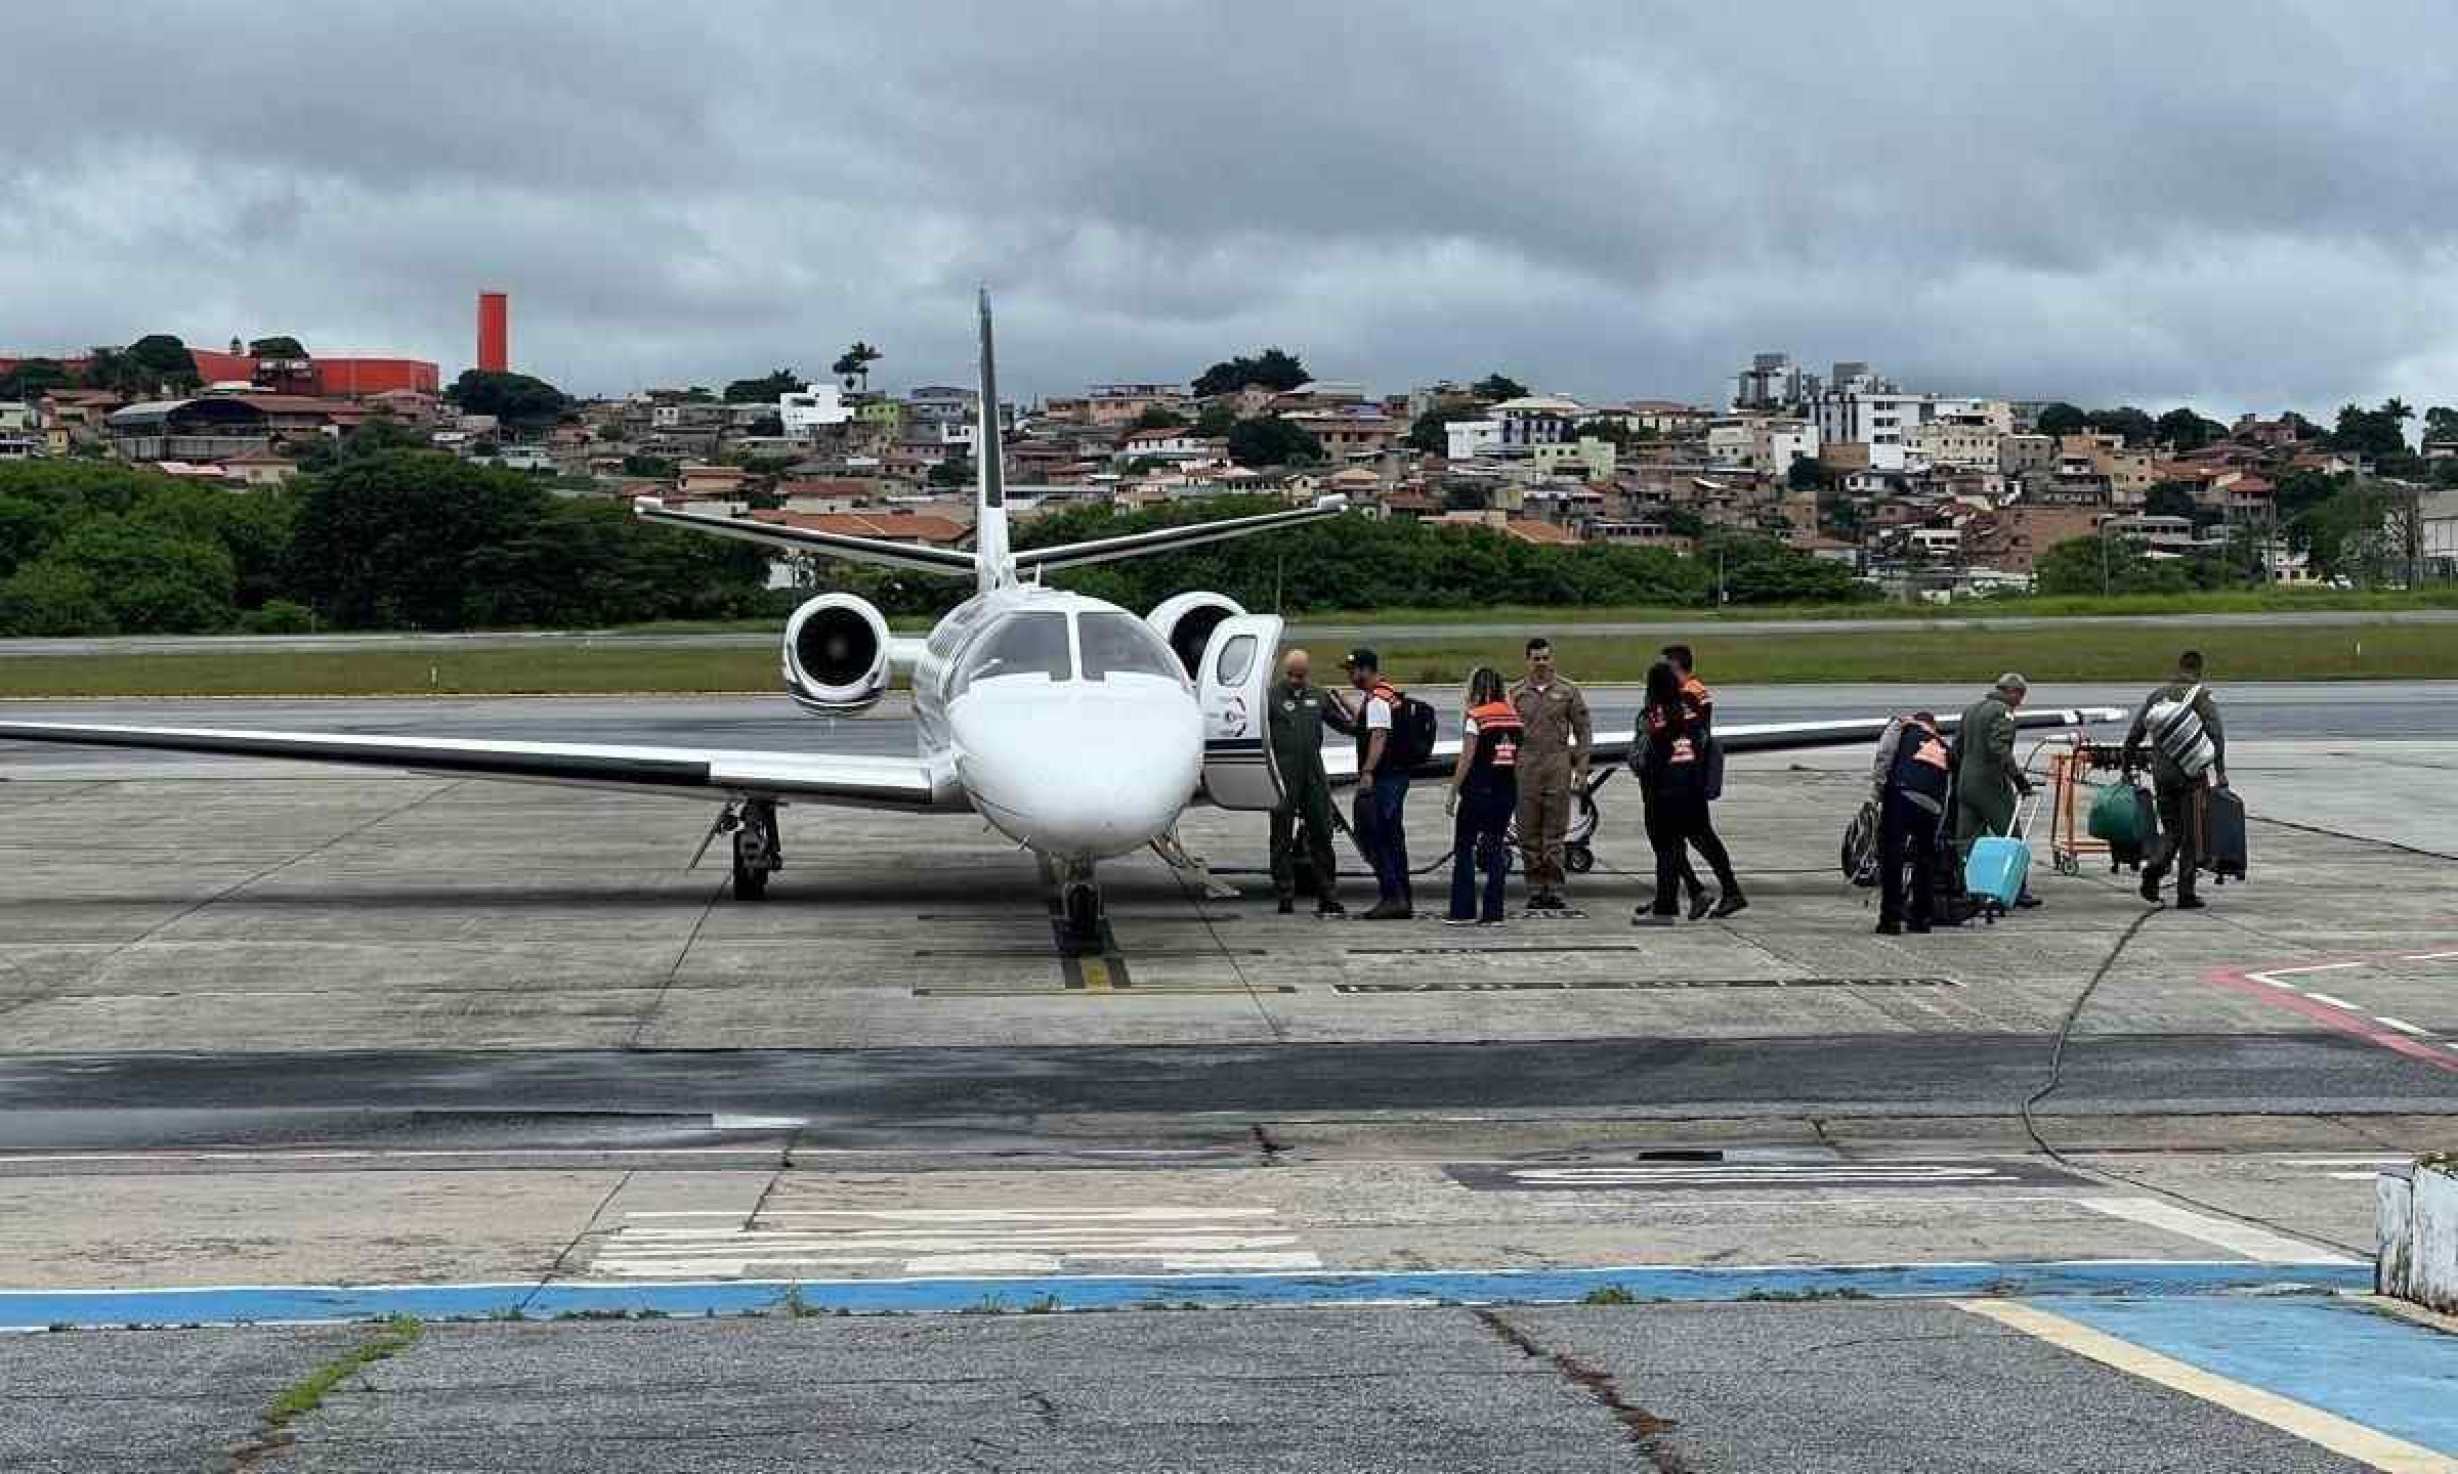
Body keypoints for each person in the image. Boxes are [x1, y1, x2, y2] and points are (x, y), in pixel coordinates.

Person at [2123, 649, 2228, 911]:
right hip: (2191, 776)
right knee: (2191, 835)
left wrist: (2126, 765)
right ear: (2199, 670)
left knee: (2171, 831)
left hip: (2161, 774)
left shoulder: (2158, 696)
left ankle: (2155, 869)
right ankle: (2186, 893)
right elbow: (2215, 733)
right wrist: (2220, 770)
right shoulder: (2201, 696)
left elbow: (2135, 733)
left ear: (2178, 667)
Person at [1633, 659, 1732, 926]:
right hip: (1692, 791)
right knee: (1699, 841)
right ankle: (1716, 892)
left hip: (1663, 794)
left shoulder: (1652, 718)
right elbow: (1703, 746)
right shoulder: (1691, 714)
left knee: (1666, 850)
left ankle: (1666, 908)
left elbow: (1642, 758)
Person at [1659, 643, 1743, 918]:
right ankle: (1717, 890)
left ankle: (1707, 891)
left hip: (1684, 777)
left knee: (1676, 839)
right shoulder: (1698, 690)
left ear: (1675, 666)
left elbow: (1674, 732)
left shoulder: (1686, 695)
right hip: (1693, 775)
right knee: (1695, 837)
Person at [1509, 637, 1592, 912]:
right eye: (1536, 658)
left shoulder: (1568, 691)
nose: (1541, 663)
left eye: (1545, 658)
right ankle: (1534, 888)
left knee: (1555, 832)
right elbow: (1505, 733)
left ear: (1552, 659)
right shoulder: (1516, 693)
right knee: (1528, 832)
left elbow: (1583, 731)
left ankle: (1555, 889)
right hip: (1526, 764)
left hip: (1558, 762)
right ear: (1527, 660)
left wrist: (1581, 769)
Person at [1331, 647, 1413, 920]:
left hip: (1384, 776)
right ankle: (1403, 897)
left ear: (1366, 670)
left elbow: (1377, 735)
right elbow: (1366, 723)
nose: (1351, 676)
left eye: (1353, 671)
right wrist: (1343, 702)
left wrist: (1367, 771)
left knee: (1378, 837)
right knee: (1394, 837)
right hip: (1397, 774)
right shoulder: (1386, 695)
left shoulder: (1377, 700)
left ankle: (1392, 897)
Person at [1265, 648, 1343, 916]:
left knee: (1322, 834)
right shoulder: (1270, 698)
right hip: (1283, 776)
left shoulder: (1318, 696)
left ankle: (1328, 894)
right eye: (1291, 675)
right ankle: (1285, 893)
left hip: (1313, 775)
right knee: (1281, 837)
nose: (1296, 680)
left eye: (1300, 675)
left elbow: (1345, 724)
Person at [1953, 672, 2040, 908]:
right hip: (1990, 785)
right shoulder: (2003, 713)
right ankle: (2016, 889)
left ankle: (1966, 887)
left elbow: (1957, 748)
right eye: (2020, 695)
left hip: (1965, 783)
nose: (2020, 702)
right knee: (2011, 836)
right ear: (2011, 692)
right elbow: (1998, 749)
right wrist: (2019, 779)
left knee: (1966, 840)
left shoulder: (1971, 710)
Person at [1444, 667, 1523, 926]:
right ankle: (1493, 912)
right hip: (1506, 790)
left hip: (1479, 790)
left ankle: (1463, 910)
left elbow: (1467, 757)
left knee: (1464, 847)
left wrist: (1453, 790)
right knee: (1496, 847)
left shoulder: (1476, 717)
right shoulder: (1513, 717)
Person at [1868, 709, 1952, 934]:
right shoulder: (1941, 744)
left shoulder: (1902, 728)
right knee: (1925, 861)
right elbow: (1948, 784)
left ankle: (1891, 919)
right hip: (1932, 805)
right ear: (1933, 726)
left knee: (1892, 857)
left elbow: (1884, 755)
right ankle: (1922, 918)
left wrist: (1875, 795)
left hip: (1902, 795)